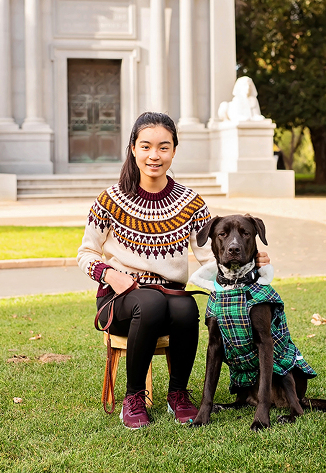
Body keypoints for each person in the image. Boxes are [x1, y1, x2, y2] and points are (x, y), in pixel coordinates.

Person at [77, 111, 270, 429]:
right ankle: (134, 397)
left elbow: (211, 256)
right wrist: (111, 274)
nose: (155, 155)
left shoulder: (190, 203)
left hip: (170, 295)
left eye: (163, 147)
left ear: (174, 151)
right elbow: (85, 254)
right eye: (146, 146)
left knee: (185, 306)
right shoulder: (109, 200)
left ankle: (178, 394)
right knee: (150, 303)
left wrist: (246, 261)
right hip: (120, 298)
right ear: (134, 148)